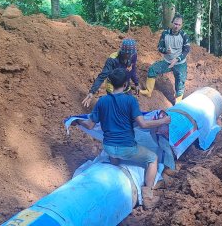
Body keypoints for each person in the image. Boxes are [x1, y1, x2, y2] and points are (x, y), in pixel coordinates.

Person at [72, 68, 171, 209]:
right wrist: (163, 121)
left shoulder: (102, 101)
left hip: (109, 148)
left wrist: (77, 121)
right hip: (127, 149)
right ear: (125, 84)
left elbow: (89, 124)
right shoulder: (130, 101)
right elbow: (143, 124)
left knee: (115, 153)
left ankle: (115, 165)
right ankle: (147, 194)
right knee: (152, 158)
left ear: (111, 83)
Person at [139, 14, 190, 104]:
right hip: (167, 61)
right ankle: (148, 91)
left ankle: (178, 102)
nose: (176, 26)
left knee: (180, 81)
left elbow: (186, 50)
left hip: (180, 63)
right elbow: (159, 47)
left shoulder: (184, 35)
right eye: (175, 23)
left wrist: (177, 59)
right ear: (172, 23)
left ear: (181, 25)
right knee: (152, 69)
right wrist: (166, 51)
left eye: (179, 24)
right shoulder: (165, 33)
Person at [82, 38, 139, 107]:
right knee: (115, 108)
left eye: (131, 54)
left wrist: (136, 83)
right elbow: (102, 76)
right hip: (113, 87)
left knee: (129, 106)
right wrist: (92, 92)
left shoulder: (133, 55)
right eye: (127, 54)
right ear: (122, 52)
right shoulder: (113, 59)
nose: (129, 56)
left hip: (125, 85)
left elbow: (132, 69)